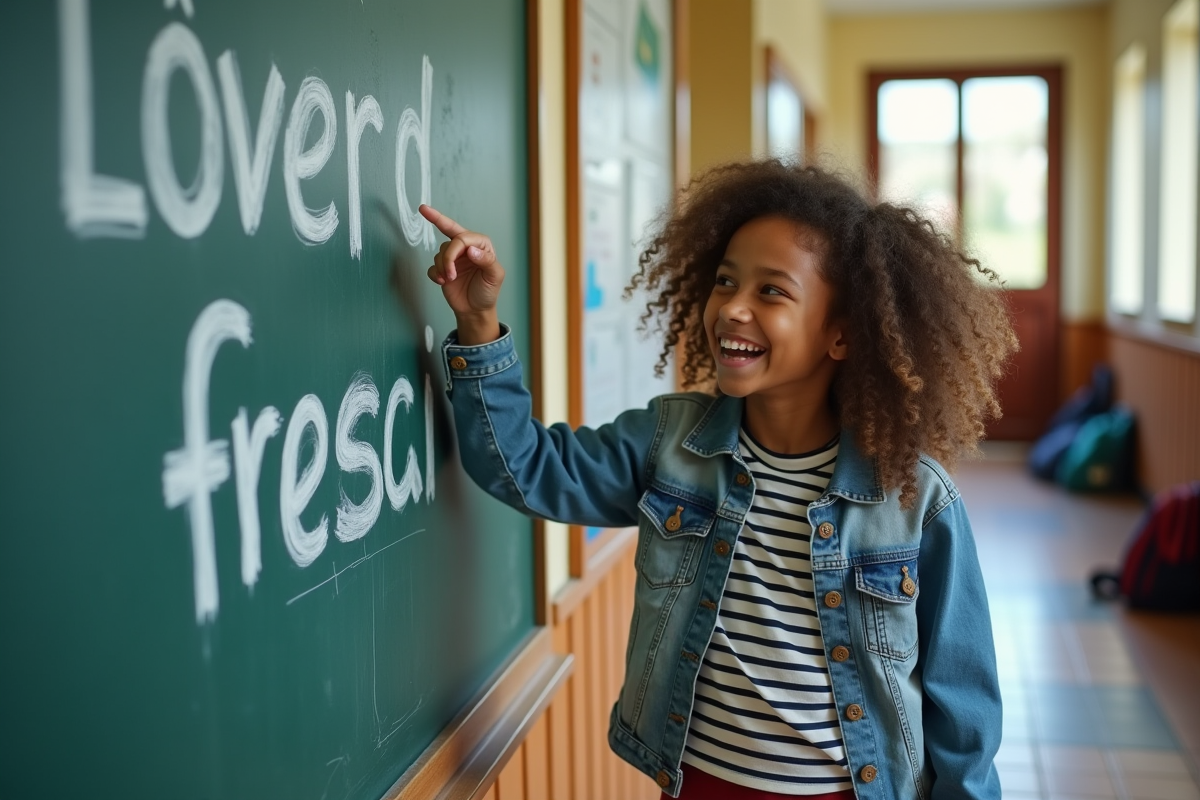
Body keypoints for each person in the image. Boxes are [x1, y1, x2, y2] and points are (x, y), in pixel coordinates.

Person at [418, 160, 1017, 800]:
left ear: (841, 334)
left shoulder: (915, 498)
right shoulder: (671, 443)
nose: (732, 307)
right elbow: (525, 469)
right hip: (699, 785)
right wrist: (478, 323)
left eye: (772, 292)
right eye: (726, 281)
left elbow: (964, 703)